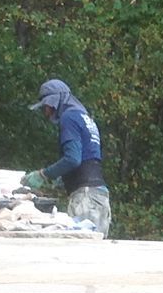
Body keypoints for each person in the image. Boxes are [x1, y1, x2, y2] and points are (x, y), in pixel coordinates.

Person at [25, 78, 111, 236]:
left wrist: (43, 174)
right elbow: (88, 159)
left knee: (78, 254)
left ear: (56, 101)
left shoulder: (69, 117)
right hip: (99, 196)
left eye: (46, 106)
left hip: (86, 198)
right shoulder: (85, 118)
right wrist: (61, 178)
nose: (46, 112)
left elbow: (73, 159)